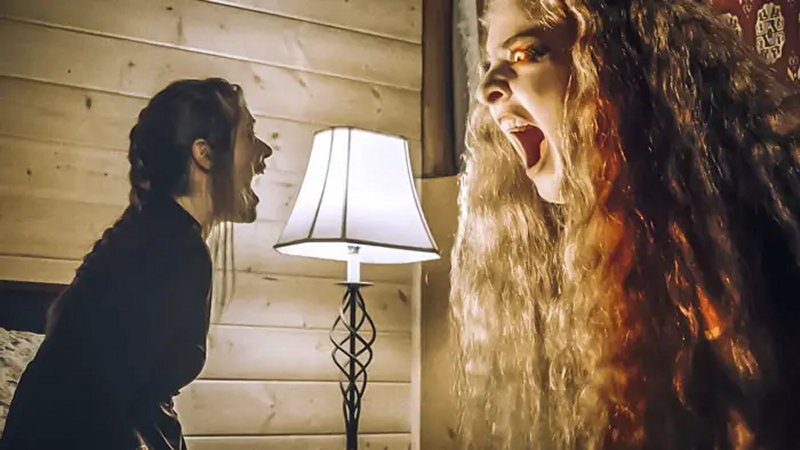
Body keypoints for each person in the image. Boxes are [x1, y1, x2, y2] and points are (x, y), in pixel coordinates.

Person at [450, 1, 800, 448]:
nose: (487, 89)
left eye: (527, 53)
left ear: (618, 66)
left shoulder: (760, 240)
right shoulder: (571, 262)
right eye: (489, 64)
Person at [0, 78, 272, 449]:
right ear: (204, 155)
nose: (264, 152)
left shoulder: (152, 239)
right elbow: (97, 407)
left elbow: (138, 402)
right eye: (250, 135)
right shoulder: (174, 252)